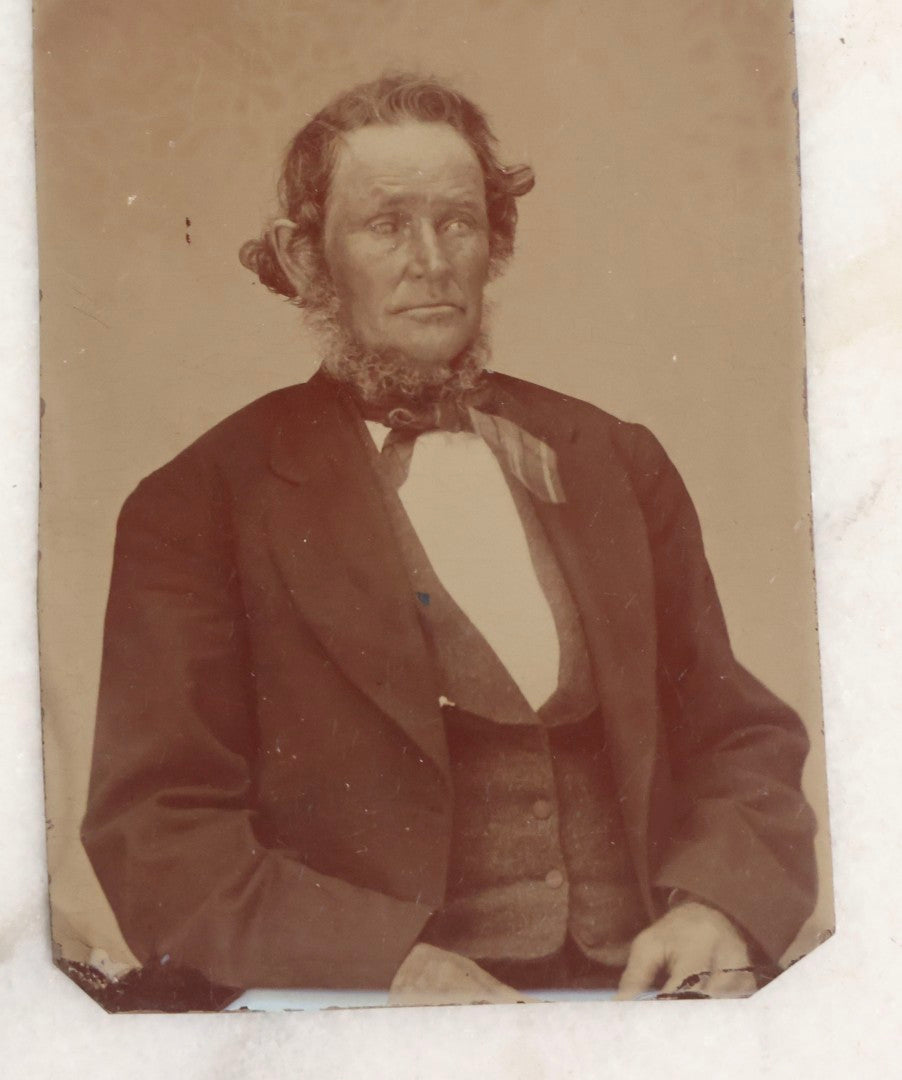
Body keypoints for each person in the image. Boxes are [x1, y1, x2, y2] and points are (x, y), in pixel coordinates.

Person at [81, 73, 817, 1008]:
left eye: (458, 223)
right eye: (387, 225)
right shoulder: (198, 504)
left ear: (493, 243)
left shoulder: (614, 463)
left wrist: (715, 906)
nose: (430, 259)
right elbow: (158, 827)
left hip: (638, 997)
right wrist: (381, 963)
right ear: (309, 259)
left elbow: (738, 733)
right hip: (355, 1008)